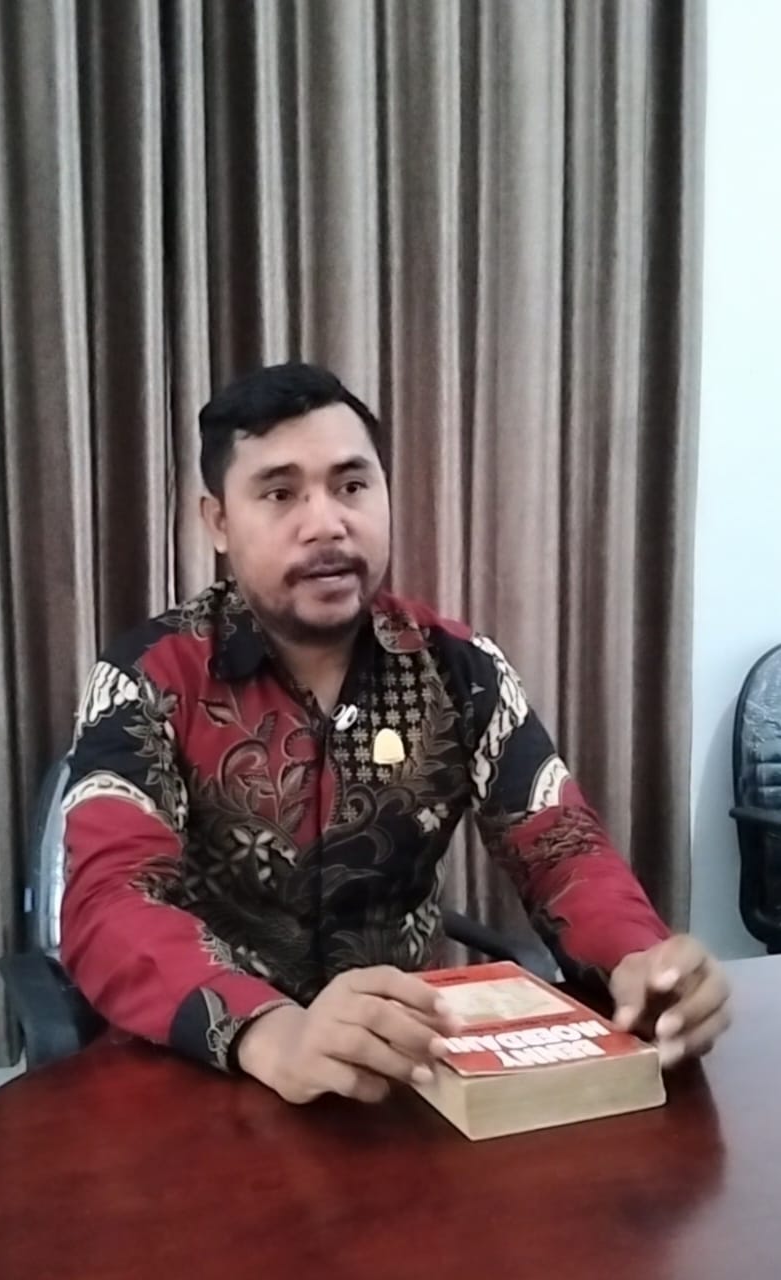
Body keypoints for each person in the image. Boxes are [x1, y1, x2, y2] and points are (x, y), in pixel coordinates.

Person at [60, 361, 730, 1106]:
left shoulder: (457, 667)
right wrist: (268, 1031)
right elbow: (108, 901)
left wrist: (640, 961)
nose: (326, 524)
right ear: (217, 521)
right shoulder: (149, 676)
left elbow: (560, 848)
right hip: (213, 1075)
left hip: (410, 1079)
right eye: (280, 494)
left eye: (351, 485)